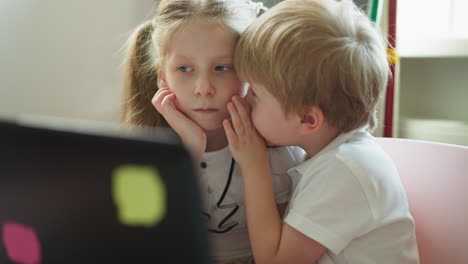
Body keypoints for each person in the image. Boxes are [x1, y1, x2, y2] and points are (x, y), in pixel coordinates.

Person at [223, 0, 420, 263]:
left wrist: (254, 166)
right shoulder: (333, 155)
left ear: (307, 119)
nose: (245, 101)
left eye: (255, 94)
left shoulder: (343, 170)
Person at [119, 0, 305, 263]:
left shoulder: (282, 153)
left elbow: (280, 252)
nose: (204, 88)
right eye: (184, 69)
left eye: (222, 68)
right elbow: (146, 245)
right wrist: (188, 152)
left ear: (250, 72)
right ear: (162, 76)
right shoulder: (142, 155)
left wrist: (255, 166)